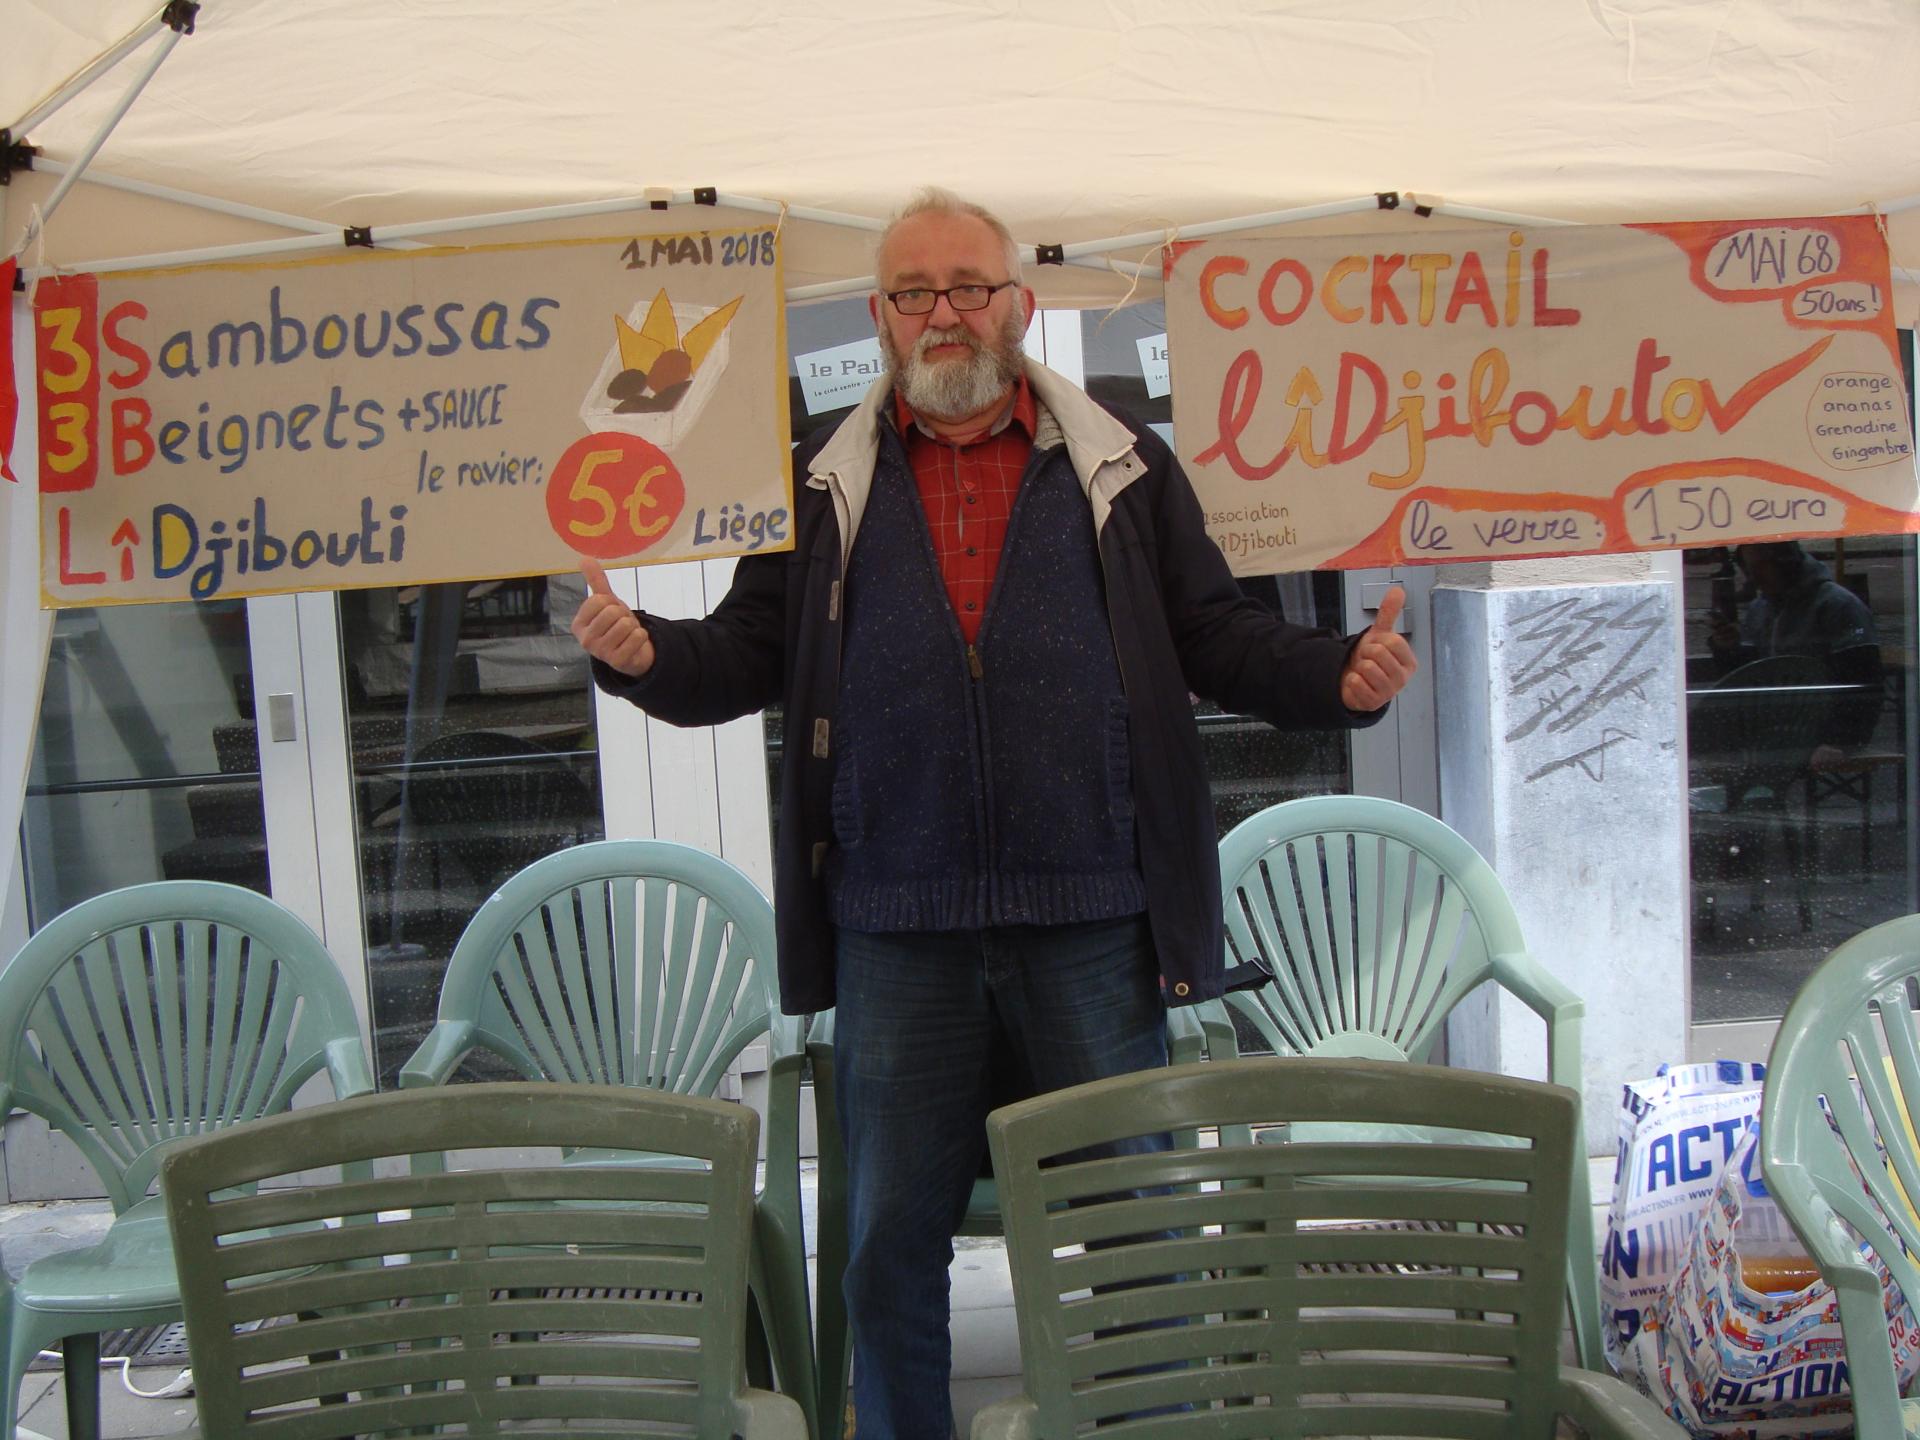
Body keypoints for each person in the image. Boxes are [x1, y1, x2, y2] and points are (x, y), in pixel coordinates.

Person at [570, 187, 1416, 1438]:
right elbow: (753, 650)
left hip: (1091, 917)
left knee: (1134, 1244)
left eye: (969, 286)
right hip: (895, 925)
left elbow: (1214, 634)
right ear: (879, 315)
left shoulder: (1122, 462)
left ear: (1018, 303)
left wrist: (1334, 677)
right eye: (915, 292)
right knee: (887, 1253)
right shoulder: (817, 478)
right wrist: (642, 655)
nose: (944, 313)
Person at [1708, 540, 1882, 753]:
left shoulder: (1837, 605)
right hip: (1773, 732)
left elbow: (1862, 680)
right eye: (1750, 570)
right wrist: (1728, 647)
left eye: (1762, 567)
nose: (1754, 578)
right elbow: (1748, 676)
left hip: (1818, 732)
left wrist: (1840, 741)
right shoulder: (1761, 609)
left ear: (1785, 562)